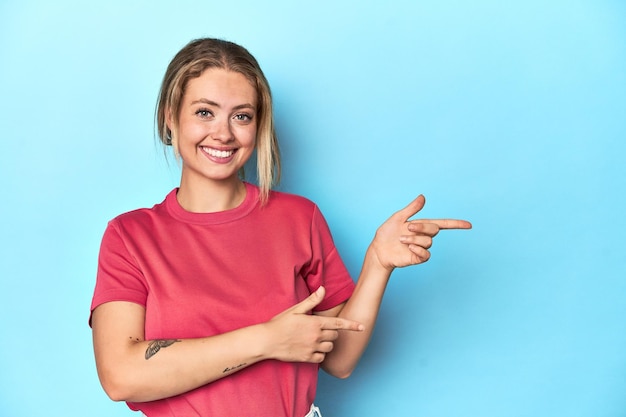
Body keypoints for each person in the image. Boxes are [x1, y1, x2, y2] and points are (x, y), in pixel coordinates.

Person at [90, 37, 471, 417]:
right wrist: (267, 340)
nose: (223, 133)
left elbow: (339, 360)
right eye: (205, 112)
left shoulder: (298, 219)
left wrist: (378, 263)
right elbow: (121, 375)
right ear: (170, 118)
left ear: (258, 127)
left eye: (241, 116)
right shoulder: (130, 236)